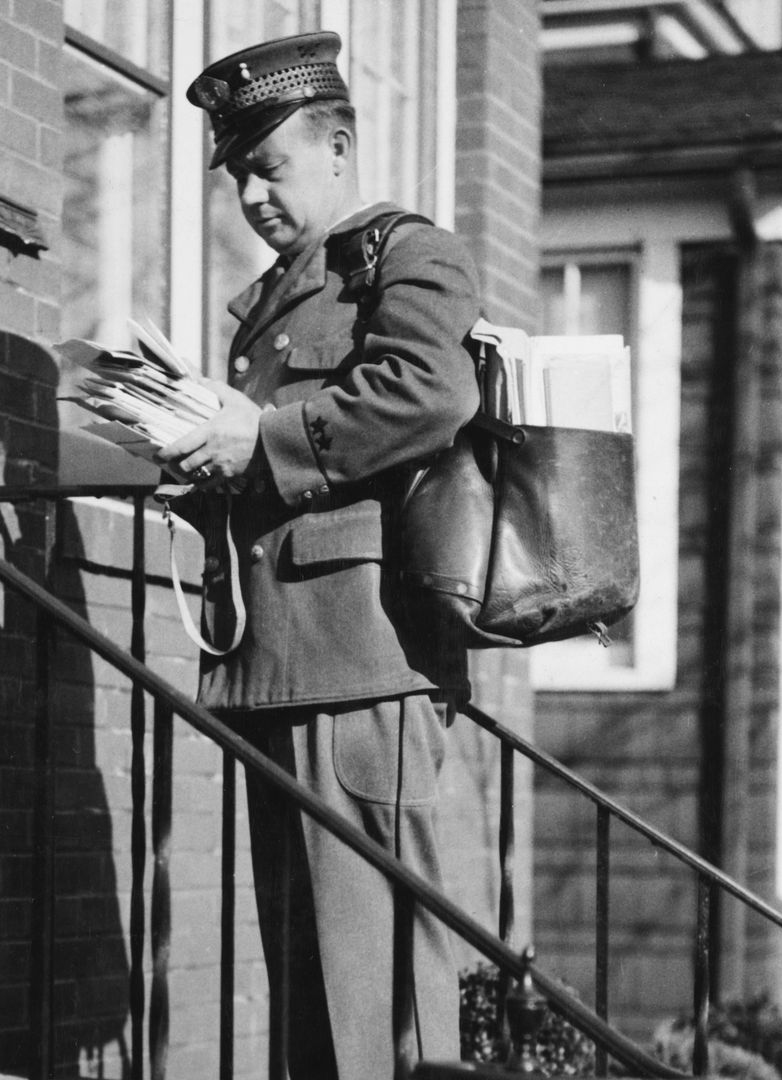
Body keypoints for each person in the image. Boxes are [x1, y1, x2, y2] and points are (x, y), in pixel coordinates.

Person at [159, 30, 483, 1080]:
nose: (252, 195)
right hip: (278, 665)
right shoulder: (273, 300)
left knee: (382, 991)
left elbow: (429, 394)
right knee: (308, 985)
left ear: (338, 148)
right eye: (238, 175)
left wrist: (264, 440)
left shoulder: (404, 255)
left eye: (270, 166)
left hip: (361, 662)